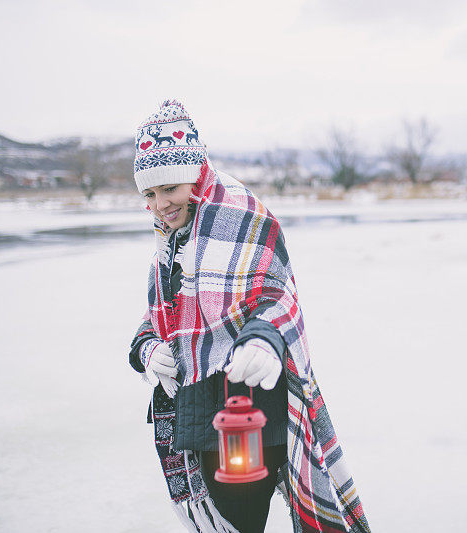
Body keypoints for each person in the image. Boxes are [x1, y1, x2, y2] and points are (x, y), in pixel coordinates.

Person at [127, 100, 370, 533]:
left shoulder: (240, 215)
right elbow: (158, 317)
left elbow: (277, 296)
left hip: (256, 407)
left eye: (170, 188)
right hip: (199, 413)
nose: (161, 204)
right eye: (151, 193)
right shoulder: (171, 244)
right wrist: (147, 351)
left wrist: (262, 339)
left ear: (196, 175)